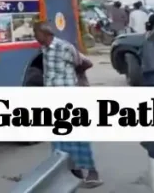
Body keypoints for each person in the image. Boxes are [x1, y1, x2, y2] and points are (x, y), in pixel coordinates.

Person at [34, 21, 103, 188]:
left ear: (46, 34)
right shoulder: (44, 49)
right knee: (60, 138)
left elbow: (85, 62)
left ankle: (92, 172)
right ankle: (73, 171)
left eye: (36, 34)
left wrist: (74, 80)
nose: (35, 37)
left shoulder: (64, 47)